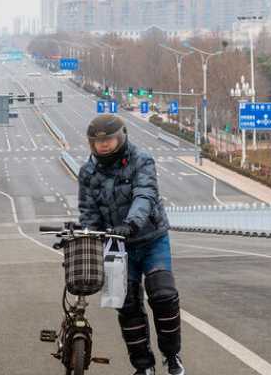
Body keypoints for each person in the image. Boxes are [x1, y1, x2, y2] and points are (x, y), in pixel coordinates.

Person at [78, 114, 185, 375]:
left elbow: (145, 194)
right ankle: (143, 367)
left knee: (163, 295)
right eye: (97, 142)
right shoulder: (88, 172)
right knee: (126, 305)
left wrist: (132, 223)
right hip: (116, 246)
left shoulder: (141, 160)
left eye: (109, 140)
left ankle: (172, 357)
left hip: (151, 238)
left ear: (122, 137)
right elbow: (88, 211)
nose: (103, 146)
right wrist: (88, 232)